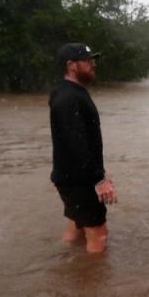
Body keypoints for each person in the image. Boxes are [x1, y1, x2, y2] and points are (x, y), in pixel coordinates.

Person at [48, 43, 118, 254]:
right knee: (99, 233)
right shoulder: (70, 98)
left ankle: (68, 271)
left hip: (68, 177)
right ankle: (93, 283)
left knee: (76, 227)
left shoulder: (64, 92)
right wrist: (99, 179)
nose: (93, 65)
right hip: (80, 181)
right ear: (72, 66)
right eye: (88, 61)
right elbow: (77, 144)